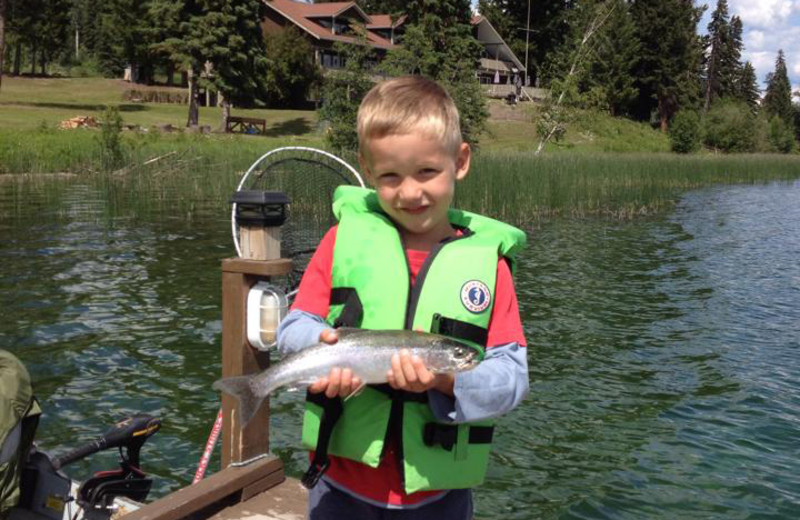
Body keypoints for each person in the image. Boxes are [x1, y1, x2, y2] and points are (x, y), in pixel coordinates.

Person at [276, 75, 528, 519]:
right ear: (367, 170)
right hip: (341, 488)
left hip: (439, 499)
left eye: (427, 171)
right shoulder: (340, 241)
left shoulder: (491, 266)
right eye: (390, 176)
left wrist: (446, 380)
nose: (410, 192)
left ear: (461, 160)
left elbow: (511, 378)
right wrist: (322, 347)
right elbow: (293, 329)